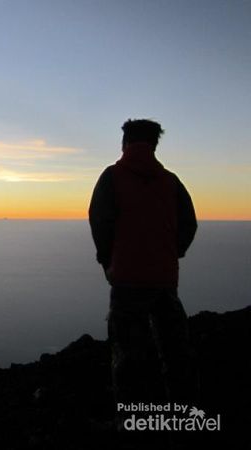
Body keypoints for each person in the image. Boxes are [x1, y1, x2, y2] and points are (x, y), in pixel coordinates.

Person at [88, 119, 197, 406]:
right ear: (154, 145)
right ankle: (178, 414)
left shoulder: (112, 177)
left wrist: (107, 263)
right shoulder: (171, 182)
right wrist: (173, 253)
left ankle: (133, 422)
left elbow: (100, 222)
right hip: (164, 279)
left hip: (126, 279)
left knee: (127, 356)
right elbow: (189, 224)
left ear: (125, 143)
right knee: (174, 351)